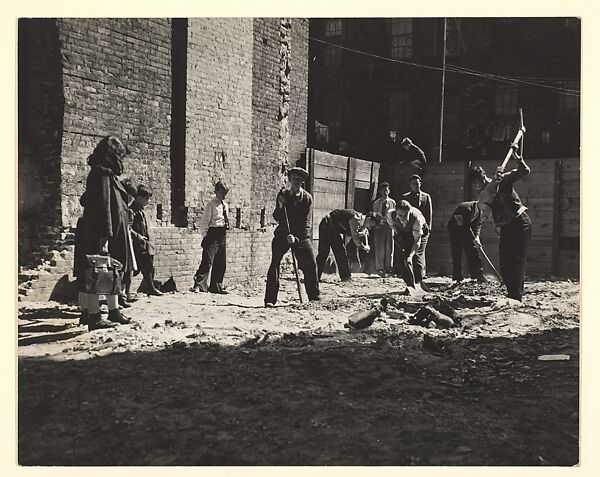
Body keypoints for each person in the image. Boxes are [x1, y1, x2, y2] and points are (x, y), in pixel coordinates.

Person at [73, 135, 134, 330]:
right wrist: (105, 235)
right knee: (96, 271)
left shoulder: (106, 175)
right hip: (103, 232)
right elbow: (104, 206)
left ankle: (113, 311)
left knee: (111, 271)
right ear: (112, 155)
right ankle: (94, 316)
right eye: (120, 156)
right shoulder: (101, 175)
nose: (121, 161)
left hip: (111, 231)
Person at [472, 146, 532, 301]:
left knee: (516, 260)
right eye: (474, 184)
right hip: (507, 226)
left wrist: (519, 160)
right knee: (505, 261)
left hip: (520, 223)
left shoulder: (503, 179)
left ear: (483, 178)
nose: (477, 186)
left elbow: (524, 171)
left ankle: (516, 296)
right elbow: (488, 195)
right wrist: (495, 181)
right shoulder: (485, 193)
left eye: (478, 182)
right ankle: (512, 293)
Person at [264, 167, 320, 307]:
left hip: (300, 236)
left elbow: (306, 223)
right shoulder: (283, 194)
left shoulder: (307, 198)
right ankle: (270, 300)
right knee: (274, 264)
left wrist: (296, 239)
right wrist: (281, 206)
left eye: (299, 179)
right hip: (283, 234)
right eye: (294, 178)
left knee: (311, 264)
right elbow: (276, 217)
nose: (296, 181)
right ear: (289, 180)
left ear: (302, 182)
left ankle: (314, 298)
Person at [316, 209, 381, 282]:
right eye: (371, 225)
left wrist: (362, 232)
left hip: (333, 229)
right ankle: (314, 277)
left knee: (341, 252)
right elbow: (355, 238)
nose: (370, 227)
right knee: (324, 252)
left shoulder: (359, 223)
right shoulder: (355, 218)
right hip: (326, 224)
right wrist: (363, 247)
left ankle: (346, 277)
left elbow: (351, 233)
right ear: (369, 219)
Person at [191, 181, 230, 294]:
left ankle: (216, 286)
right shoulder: (211, 205)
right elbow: (204, 222)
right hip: (212, 233)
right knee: (207, 260)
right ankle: (199, 285)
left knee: (221, 261)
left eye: (226, 193)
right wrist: (206, 236)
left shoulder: (225, 205)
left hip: (222, 233)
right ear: (216, 191)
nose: (224, 195)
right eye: (222, 192)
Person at [386, 200, 429, 294]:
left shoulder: (416, 218)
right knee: (403, 258)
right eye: (400, 215)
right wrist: (400, 237)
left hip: (421, 233)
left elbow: (417, 241)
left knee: (416, 257)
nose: (402, 217)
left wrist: (410, 256)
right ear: (396, 211)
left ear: (409, 212)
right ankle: (409, 284)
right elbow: (393, 227)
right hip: (404, 232)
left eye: (405, 215)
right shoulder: (390, 214)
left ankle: (419, 283)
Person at [129, 184, 163, 296]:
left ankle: (150, 287)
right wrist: (138, 237)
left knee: (148, 267)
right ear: (139, 198)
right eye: (146, 199)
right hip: (135, 244)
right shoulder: (131, 211)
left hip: (144, 245)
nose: (148, 201)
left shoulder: (142, 211)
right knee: (132, 269)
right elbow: (128, 228)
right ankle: (125, 293)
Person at [402, 174, 432, 281]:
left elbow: (429, 213)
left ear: (420, 184)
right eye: (413, 184)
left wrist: (428, 228)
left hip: (423, 228)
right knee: (413, 251)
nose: (416, 186)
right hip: (410, 229)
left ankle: (420, 276)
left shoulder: (426, 197)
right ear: (410, 185)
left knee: (419, 251)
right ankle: (413, 278)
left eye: (417, 184)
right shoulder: (405, 197)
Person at [447, 200, 486, 283]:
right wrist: (473, 238)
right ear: (480, 202)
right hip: (455, 230)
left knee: (474, 252)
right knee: (457, 253)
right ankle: (458, 278)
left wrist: (477, 237)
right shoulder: (466, 208)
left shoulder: (480, 212)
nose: (486, 207)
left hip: (467, 231)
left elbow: (478, 225)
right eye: (485, 205)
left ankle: (478, 275)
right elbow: (465, 225)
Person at [372, 182, 396, 277]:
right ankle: (380, 268)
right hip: (379, 227)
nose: (385, 192)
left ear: (389, 191)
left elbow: (394, 215)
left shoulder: (392, 202)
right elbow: (374, 215)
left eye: (387, 190)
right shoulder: (377, 203)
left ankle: (389, 268)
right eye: (383, 191)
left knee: (389, 247)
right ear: (380, 192)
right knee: (380, 247)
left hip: (390, 227)